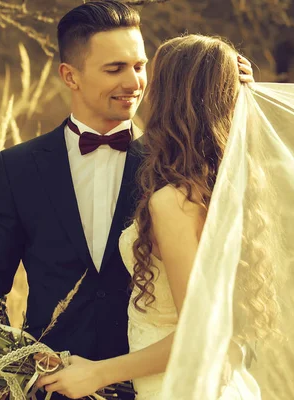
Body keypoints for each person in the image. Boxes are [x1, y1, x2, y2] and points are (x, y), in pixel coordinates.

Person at [0, 2, 253, 398]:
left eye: (139, 66)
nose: (134, 81)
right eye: (115, 69)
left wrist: (234, 90)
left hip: (157, 384)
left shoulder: (177, 166)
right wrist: (12, 371)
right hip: (54, 388)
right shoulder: (19, 169)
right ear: (71, 76)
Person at [36, 34, 273, 399]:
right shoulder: (226, 186)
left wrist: (98, 373)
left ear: (172, 96)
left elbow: (199, 334)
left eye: (151, 75)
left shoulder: (173, 201)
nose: (139, 86)